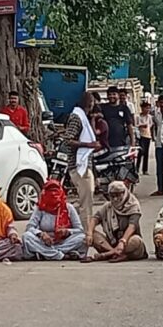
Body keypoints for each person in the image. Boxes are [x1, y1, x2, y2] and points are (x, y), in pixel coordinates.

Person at [60, 92, 101, 228]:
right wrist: (88, 145)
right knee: (86, 204)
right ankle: (86, 232)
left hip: (84, 165)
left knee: (87, 201)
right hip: (79, 166)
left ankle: (81, 227)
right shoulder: (77, 118)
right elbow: (68, 140)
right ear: (90, 103)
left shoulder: (83, 117)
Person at [22, 179, 86, 260]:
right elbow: (29, 227)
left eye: (56, 191)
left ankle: (46, 254)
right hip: (44, 242)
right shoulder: (40, 208)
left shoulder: (69, 208)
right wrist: (41, 234)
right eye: (50, 192)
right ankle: (61, 255)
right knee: (26, 236)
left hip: (64, 242)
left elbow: (80, 230)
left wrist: (67, 231)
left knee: (83, 238)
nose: (53, 194)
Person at [85, 181, 147, 262]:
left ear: (124, 193)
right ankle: (113, 252)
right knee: (93, 234)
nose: (115, 199)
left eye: (118, 195)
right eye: (112, 196)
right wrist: (89, 234)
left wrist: (122, 241)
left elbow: (132, 226)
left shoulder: (133, 206)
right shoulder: (108, 207)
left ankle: (108, 254)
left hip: (127, 243)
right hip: (112, 243)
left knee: (135, 240)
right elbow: (95, 218)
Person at [101, 85, 136, 150]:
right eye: (109, 94)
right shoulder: (102, 107)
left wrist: (133, 143)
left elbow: (129, 125)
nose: (112, 96)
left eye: (114, 94)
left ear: (118, 95)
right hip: (104, 144)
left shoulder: (124, 108)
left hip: (120, 143)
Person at [137, 100, 153, 174]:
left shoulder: (150, 117)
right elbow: (136, 125)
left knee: (146, 153)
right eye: (146, 108)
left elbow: (151, 125)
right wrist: (141, 125)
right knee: (140, 152)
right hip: (141, 136)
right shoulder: (138, 116)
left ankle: (145, 169)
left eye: (149, 108)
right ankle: (137, 168)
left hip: (148, 136)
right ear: (142, 108)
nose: (148, 110)